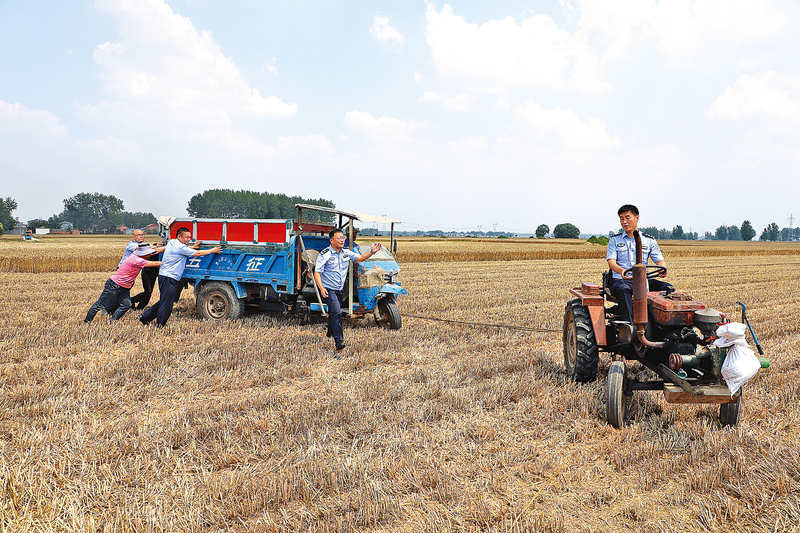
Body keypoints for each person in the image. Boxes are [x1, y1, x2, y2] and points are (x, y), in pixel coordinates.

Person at [314, 228, 382, 352]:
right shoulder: (325, 254)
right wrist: (321, 288)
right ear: (331, 240)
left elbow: (360, 258)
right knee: (337, 312)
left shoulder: (346, 252)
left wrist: (372, 252)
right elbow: (317, 273)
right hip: (328, 289)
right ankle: (339, 341)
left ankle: (330, 332)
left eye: (342, 238)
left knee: (334, 312)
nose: (342, 240)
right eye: (339, 238)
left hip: (340, 289)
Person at [139, 227, 221, 327]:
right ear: (179, 236)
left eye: (189, 237)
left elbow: (184, 250)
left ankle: (145, 317)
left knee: (166, 300)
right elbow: (197, 253)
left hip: (166, 276)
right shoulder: (180, 247)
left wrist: (192, 247)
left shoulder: (172, 242)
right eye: (186, 237)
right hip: (168, 277)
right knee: (167, 303)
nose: (189, 239)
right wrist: (212, 250)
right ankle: (160, 324)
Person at [606, 204, 673, 323]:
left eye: (628, 217)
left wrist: (663, 268)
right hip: (622, 280)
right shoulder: (615, 240)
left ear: (637, 218)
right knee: (623, 290)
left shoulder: (649, 240)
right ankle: (630, 325)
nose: (624, 222)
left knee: (667, 288)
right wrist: (622, 271)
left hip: (643, 280)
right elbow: (611, 262)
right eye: (621, 218)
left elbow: (660, 260)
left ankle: (660, 323)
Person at [85, 245, 162, 323]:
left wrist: (167, 247)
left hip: (124, 287)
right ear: (144, 254)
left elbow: (154, 252)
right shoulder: (137, 260)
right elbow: (156, 263)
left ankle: (112, 321)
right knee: (100, 305)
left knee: (126, 305)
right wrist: (169, 263)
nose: (149, 256)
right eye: (148, 254)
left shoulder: (135, 254)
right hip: (114, 285)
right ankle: (87, 322)